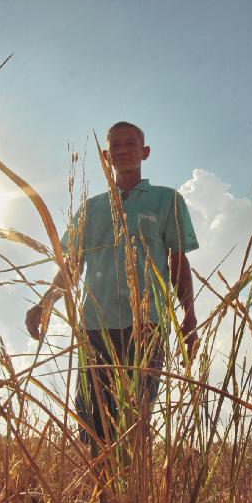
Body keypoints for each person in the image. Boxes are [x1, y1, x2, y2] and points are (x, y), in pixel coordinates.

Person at [25, 121, 199, 445]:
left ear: (144, 152)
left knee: (136, 419)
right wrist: (45, 302)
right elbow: (73, 265)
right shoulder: (91, 209)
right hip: (96, 327)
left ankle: (134, 495)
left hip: (147, 326)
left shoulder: (167, 201)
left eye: (130, 144)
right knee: (94, 421)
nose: (122, 150)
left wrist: (188, 317)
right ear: (106, 156)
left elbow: (177, 261)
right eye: (114, 146)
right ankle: (102, 495)